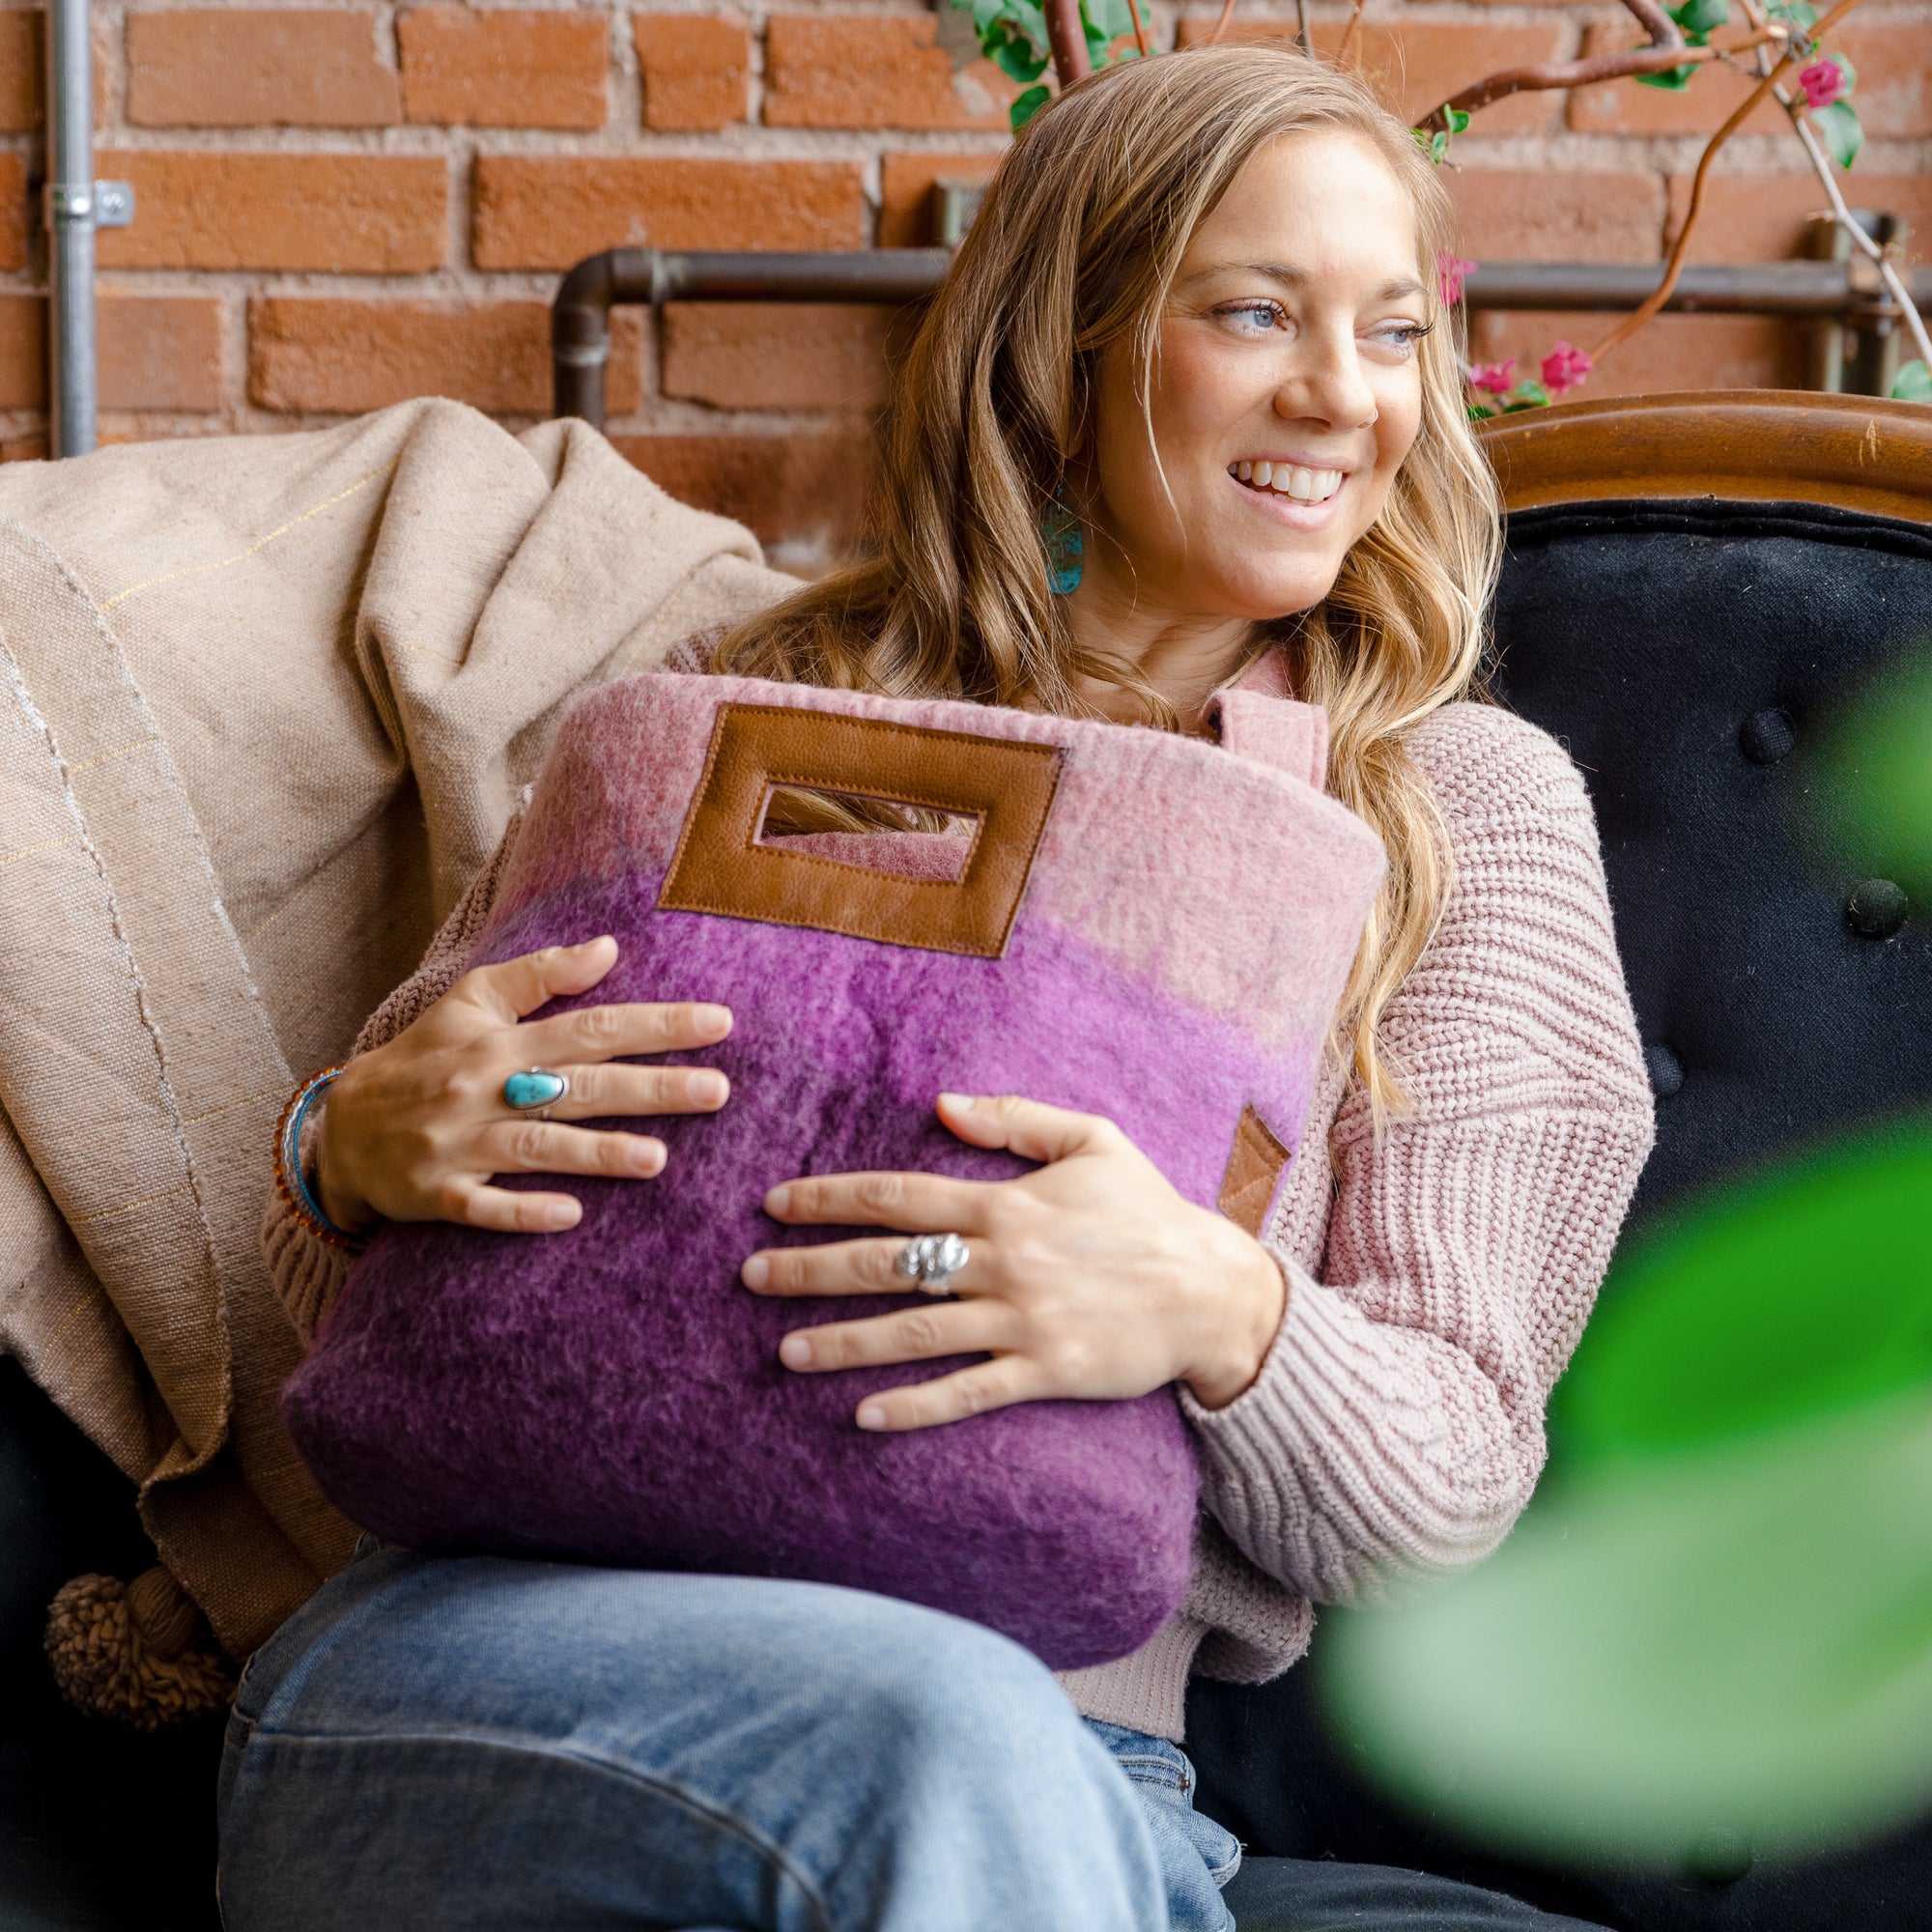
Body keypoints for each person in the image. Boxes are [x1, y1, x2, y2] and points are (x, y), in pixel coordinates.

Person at [223, 43, 1653, 1932]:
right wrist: (346, 1150)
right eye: (1253, 313)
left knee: (952, 1734)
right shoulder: (742, 705)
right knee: (940, 1736)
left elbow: (1442, 1487)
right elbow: (359, 1295)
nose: (1342, 395)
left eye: (1392, 332)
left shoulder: (1458, 813)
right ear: (1067, 344)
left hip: (1049, 1761)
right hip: (484, 1669)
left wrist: (1217, 1306)